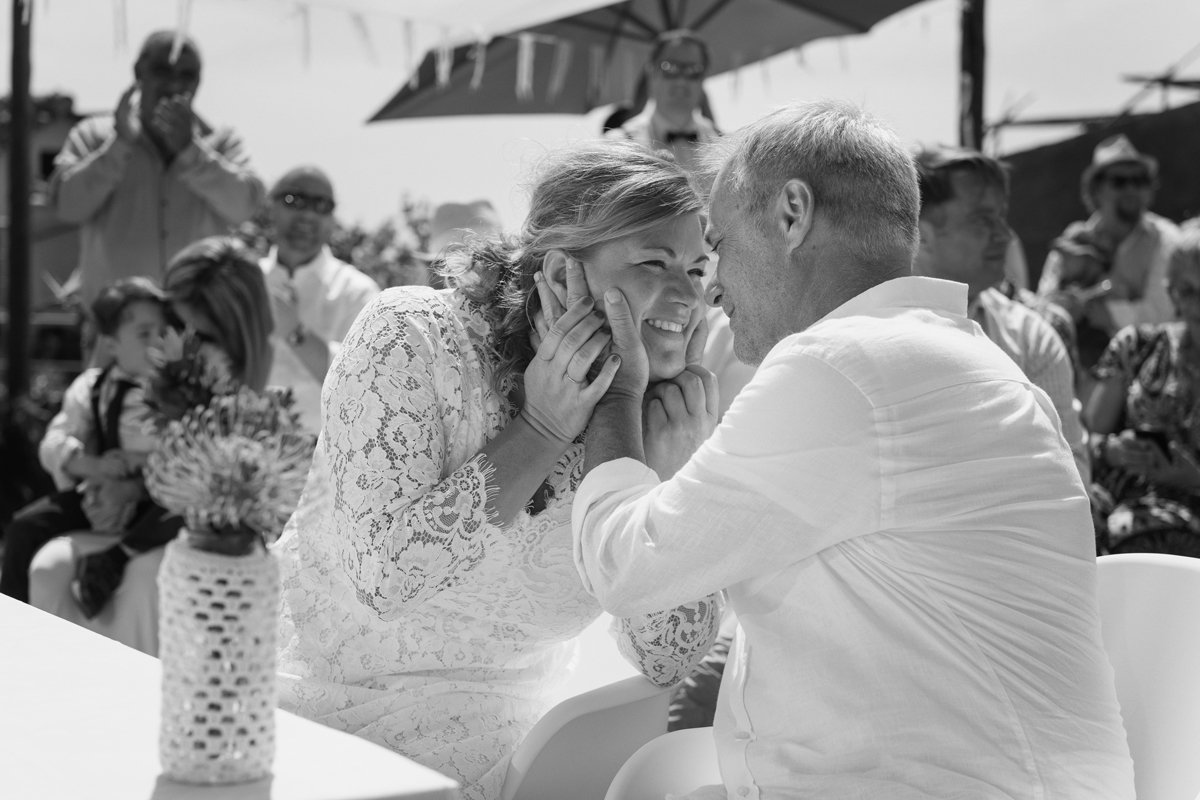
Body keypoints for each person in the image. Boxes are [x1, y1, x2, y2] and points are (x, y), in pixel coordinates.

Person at [573, 101, 1134, 798]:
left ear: (792, 214)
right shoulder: (970, 361)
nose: (712, 283)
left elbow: (626, 566)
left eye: (720, 243)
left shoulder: (839, 369)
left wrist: (616, 390)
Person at [274, 140, 722, 800]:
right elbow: (384, 579)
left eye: (700, 269)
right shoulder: (412, 336)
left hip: (518, 762)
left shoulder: (665, 424)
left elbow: (672, 657)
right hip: (322, 737)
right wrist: (541, 429)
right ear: (563, 270)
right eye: (657, 262)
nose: (688, 295)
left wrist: (652, 482)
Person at [28, 237, 274, 655]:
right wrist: (103, 478)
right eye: (179, 327)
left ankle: (133, 706)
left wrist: (136, 486)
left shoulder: (270, 378)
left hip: (219, 528)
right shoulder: (153, 368)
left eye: (205, 335)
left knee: (146, 577)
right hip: (146, 513)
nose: (187, 346)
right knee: (46, 567)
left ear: (234, 330)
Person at [48, 30, 265, 307]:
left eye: (187, 75)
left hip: (196, 327)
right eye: (162, 70)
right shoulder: (93, 136)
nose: (175, 84)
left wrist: (191, 152)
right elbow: (67, 206)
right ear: (139, 72)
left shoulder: (222, 143)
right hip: (116, 329)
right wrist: (120, 147)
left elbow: (244, 207)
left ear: (199, 81)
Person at [913, 145, 1090, 484]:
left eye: (1001, 217)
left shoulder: (1031, 338)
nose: (1005, 236)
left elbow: (1072, 475)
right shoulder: (858, 325)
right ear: (921, 231)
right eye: (982, 219)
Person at [0, 278, 165, 604]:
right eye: (144, 334)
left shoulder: (178, 388)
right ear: (111, 344)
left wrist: (139, 469)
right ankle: (12, 628)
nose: (157, 342)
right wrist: (92, 466)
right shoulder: (92, 387)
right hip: (98, 489)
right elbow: (54, 441)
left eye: (163, 331)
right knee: (24, 527)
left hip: (157, 498)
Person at [1086, 226, 1200, 557]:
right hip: (1123, 497)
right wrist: (1115, 450)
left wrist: (1192, 477)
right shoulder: (1136, 346)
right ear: (1172, 293)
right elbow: (1084, 442)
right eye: (1190, 291)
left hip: (1185, 511)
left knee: (1144, 533)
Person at [261, 166, 380, 433]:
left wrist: (296, 333)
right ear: (272, 206)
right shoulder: (245, 282)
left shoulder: (358, 291)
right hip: (243, 450)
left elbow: (363, 384)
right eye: (294, 199)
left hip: (323, 461)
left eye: (322, 205)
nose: (308, 213)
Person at [1038, 134, 1179, 338]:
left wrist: (1100, 311)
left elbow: (1161, 313)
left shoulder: (1166, 239)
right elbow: (1044, 304)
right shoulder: (1074, 240)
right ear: (1096, 190)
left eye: (1139, 181)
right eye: (1119, 181)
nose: (1131, 188)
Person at [605, 29, 719, 175]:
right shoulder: (617, 146)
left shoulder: (725, 146)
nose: (681, 80)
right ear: (651, 72)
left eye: (693, 70)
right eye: (669, 67)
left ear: (704, 76)